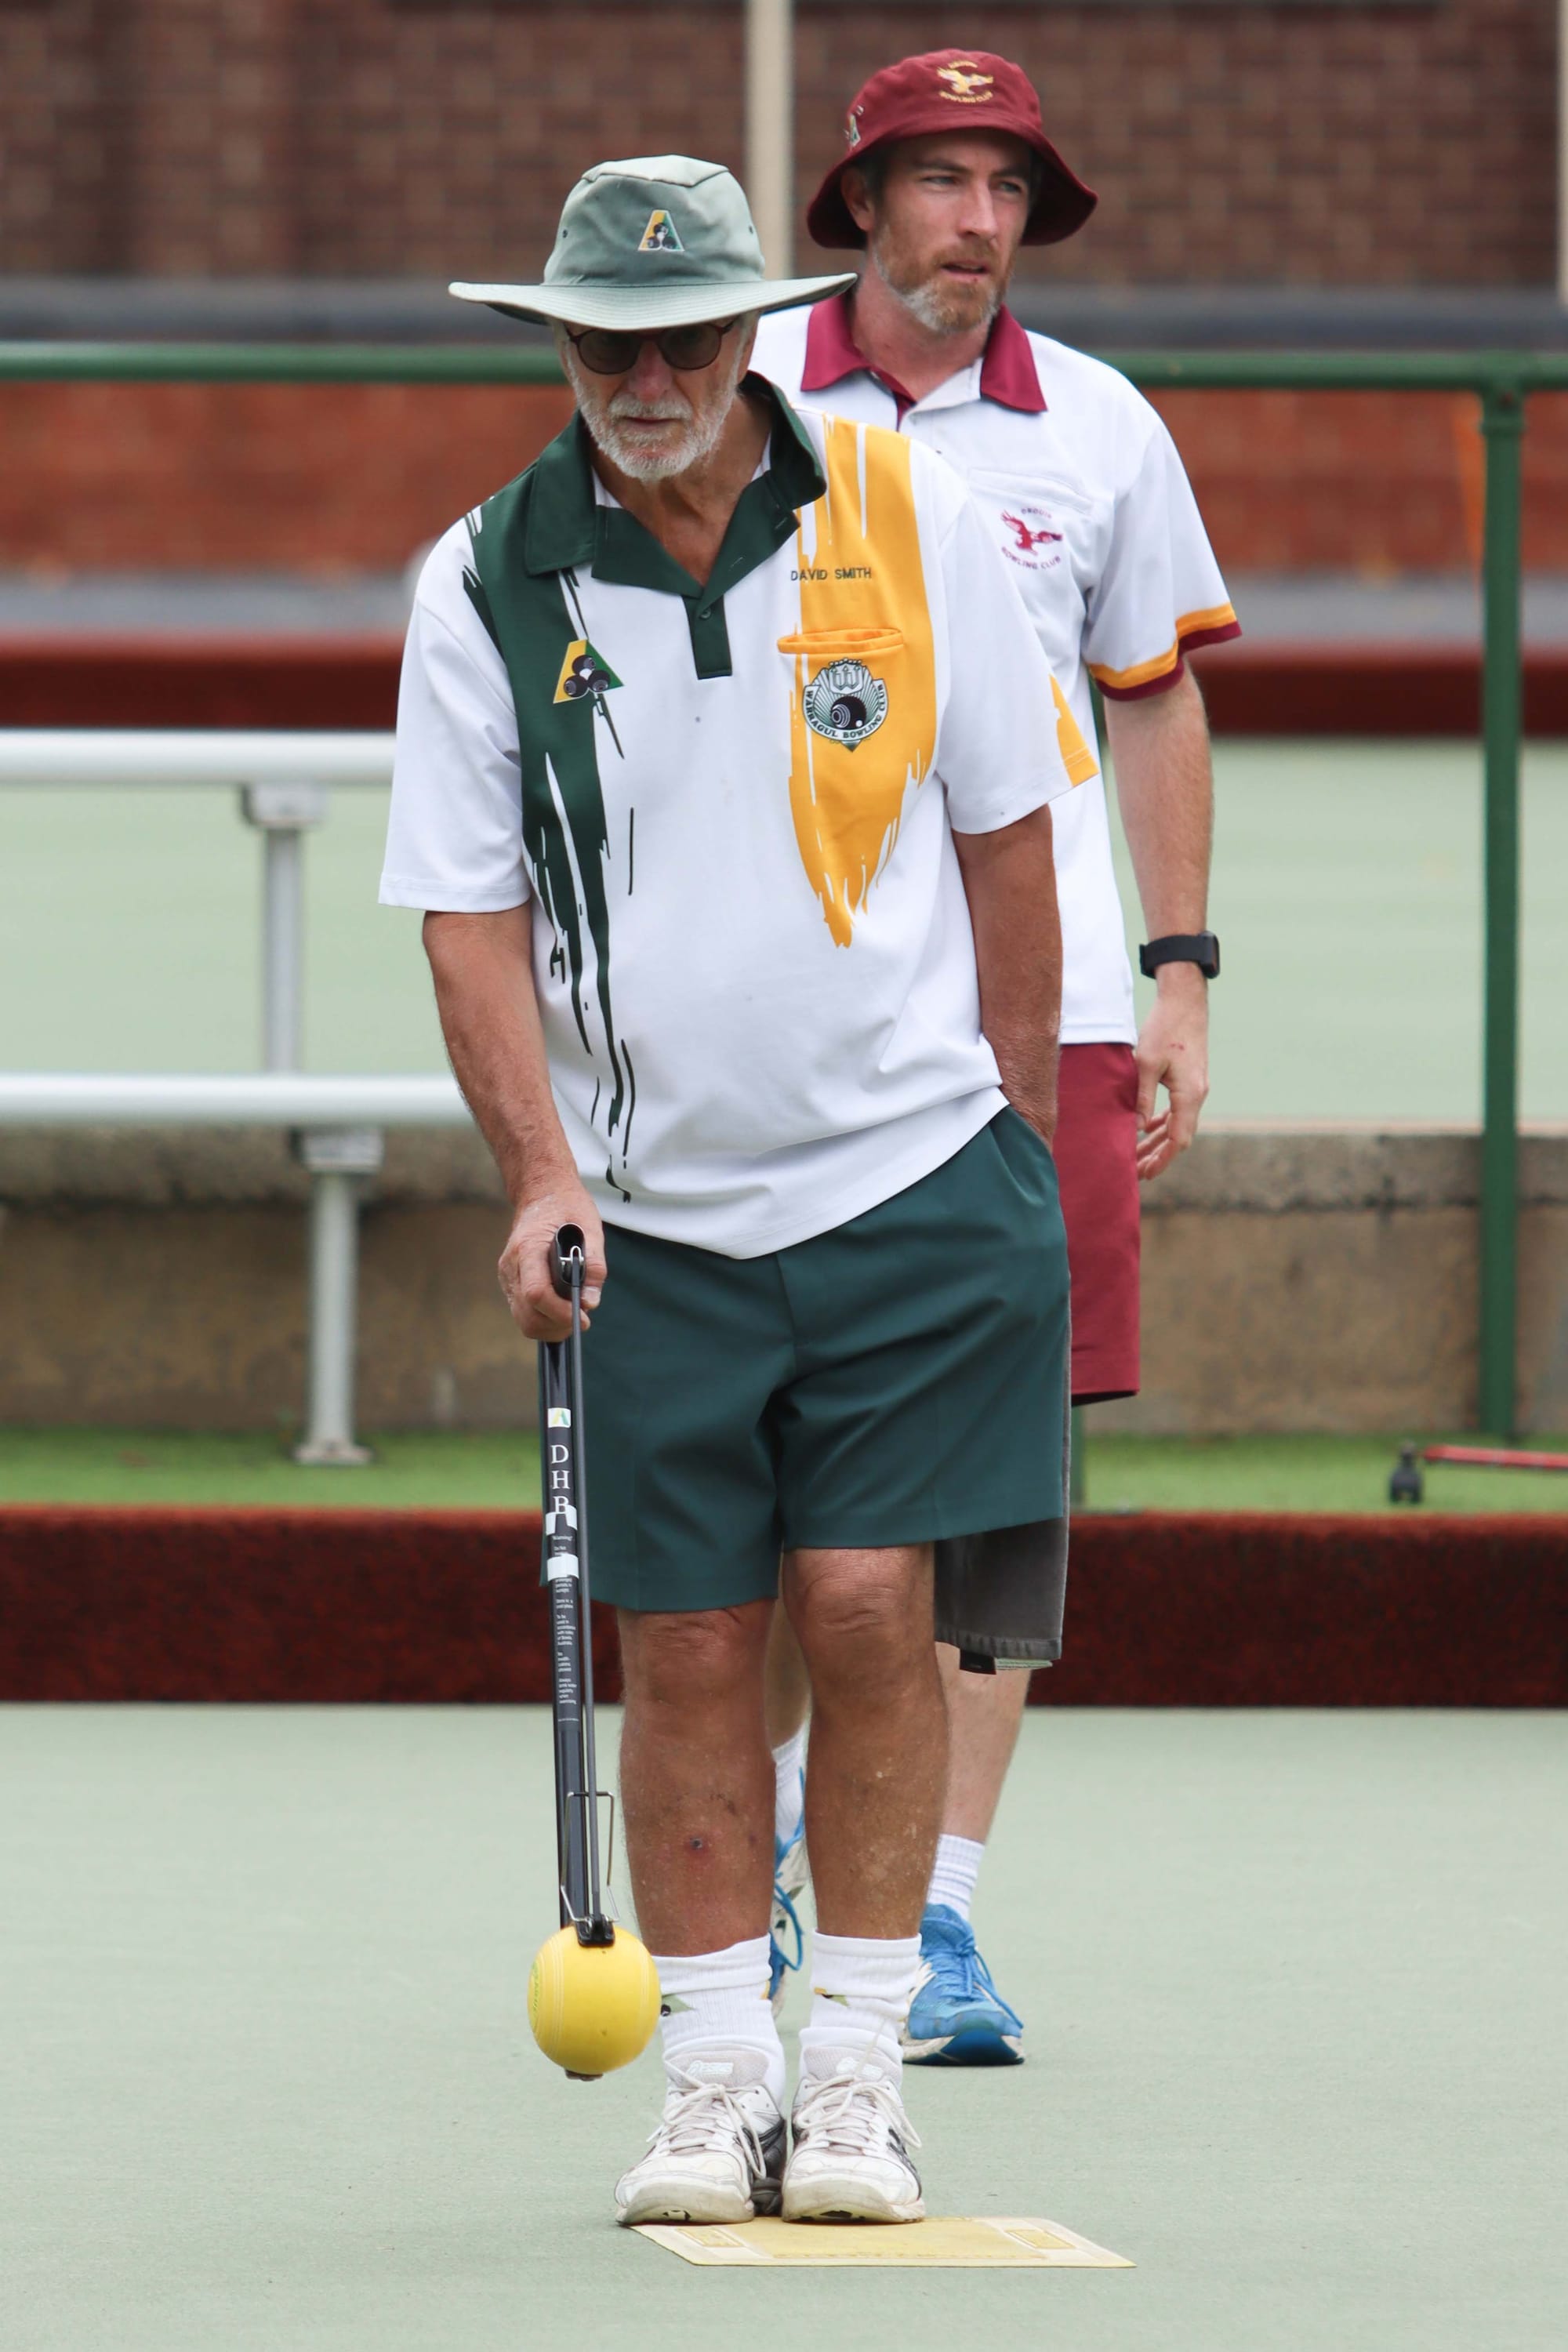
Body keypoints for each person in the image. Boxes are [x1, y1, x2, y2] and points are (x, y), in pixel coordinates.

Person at [381, 155, 1089, 2224]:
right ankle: (712, 2078)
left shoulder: (907, 515)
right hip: (656, 1221)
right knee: (689, 1650)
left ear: (751, 331)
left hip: (907, 1180)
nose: (655, 374)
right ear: (563, 345)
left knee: (872, 1609)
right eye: (613, 341)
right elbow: (468, 917)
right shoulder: (488, 580)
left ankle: (855, 2076)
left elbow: (1010, 845)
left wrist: (1015, 1141)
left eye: (690, 336)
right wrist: (539, 1179)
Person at [753, 51, 1236, 2066]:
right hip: (785, 1013)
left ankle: (935, 1911)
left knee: (1002, 1475)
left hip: (1056, 1033)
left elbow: (1152, 710)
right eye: (935, 179)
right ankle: (778, 1851)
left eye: (1004, 184)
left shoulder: (1100, 428)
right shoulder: (732, 384)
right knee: (784, 1471)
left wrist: (1183, 969)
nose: (974, 216)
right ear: (859, 201)